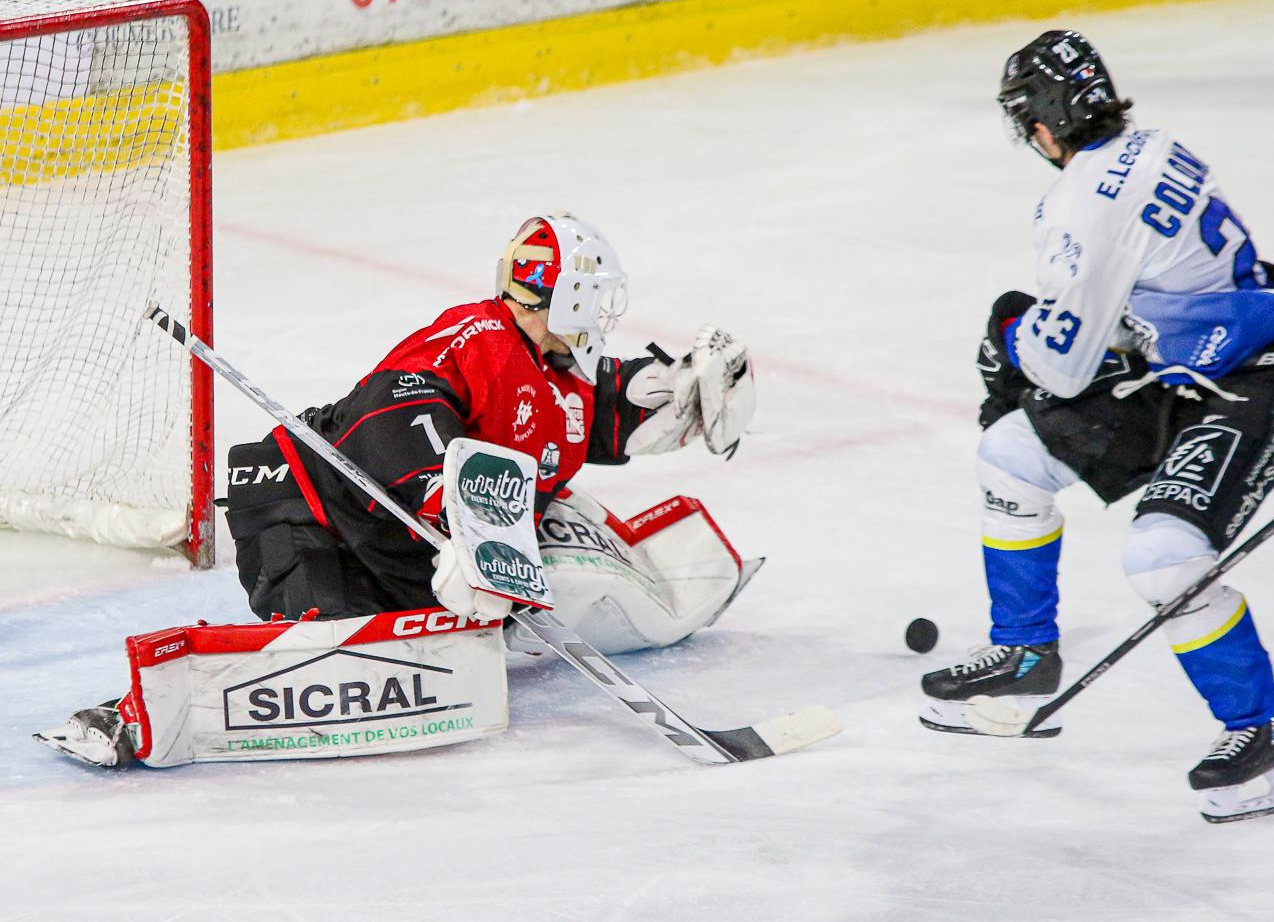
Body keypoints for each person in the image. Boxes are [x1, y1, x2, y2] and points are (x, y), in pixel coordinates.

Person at [37, 213, 758, 768]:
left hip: (405, 553)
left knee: (496, 600)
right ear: (560, 299)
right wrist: (461, 521)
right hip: (312, 514)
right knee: (335, 657)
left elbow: (610, 409)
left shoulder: (561, 372)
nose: (602, 319)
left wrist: (683, 396)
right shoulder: (477, 339)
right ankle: (131, 716)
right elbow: (391, 410)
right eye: (592, 301)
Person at [920, 30, 1274, 823]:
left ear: (1039, 125)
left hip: (1257, 377)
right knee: (1012, 456)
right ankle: (1027, 654)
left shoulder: (1081, 202)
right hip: (1188, 359)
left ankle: (1260, 736)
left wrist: (1010, 341)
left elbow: (1064, 366)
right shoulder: (1149, 144)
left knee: (1163, 555)